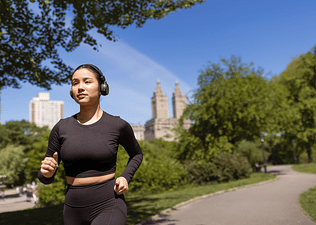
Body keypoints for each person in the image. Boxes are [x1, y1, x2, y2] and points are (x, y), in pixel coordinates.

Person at [38, 64, 143, 225]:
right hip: (72, 208)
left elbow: (137, 154)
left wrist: (125, 177)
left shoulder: (118, 125)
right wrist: (46, 173)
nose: (80, 87)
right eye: (75, 83)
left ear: (102, 88)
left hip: (109, 202)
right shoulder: (61, 128)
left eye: (87, 82)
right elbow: (45, 176)